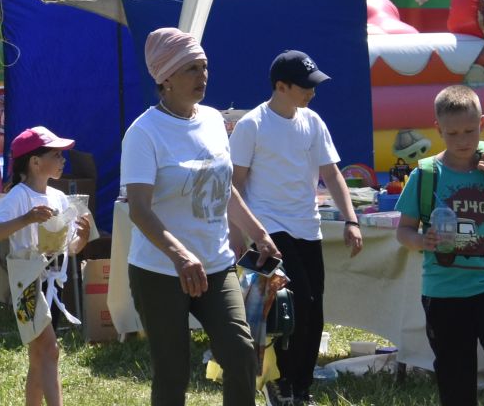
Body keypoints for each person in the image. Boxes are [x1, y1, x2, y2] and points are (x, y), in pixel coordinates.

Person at [122, 28, 280, 406]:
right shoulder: (143, 133)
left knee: (241, 351)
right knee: (173, 370)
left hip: (215, 264)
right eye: (191, 68)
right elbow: (139, 209)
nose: (202, 76)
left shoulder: (212, 120)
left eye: (204, 67)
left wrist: (258, 233)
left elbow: (222, 187)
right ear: (165, 77)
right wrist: (180, 255)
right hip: (159, 271)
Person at [229, 50, 362, 405]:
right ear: (280, 86)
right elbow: (234, 185)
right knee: (294, 304)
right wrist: (238, 236)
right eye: (304, 86)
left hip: (309, 228)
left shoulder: (313, 122)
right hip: (269, 231)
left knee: (314, 308)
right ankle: (282, 382)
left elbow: (332, 173)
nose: (312, 92)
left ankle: (300, 388)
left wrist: (351, 220)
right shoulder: (251, 126)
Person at [396, 83, 484, 406]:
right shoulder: (426, 174)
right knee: (455, 376)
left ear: (482, 123)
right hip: (444, 291)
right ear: (438, 129)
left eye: (470, 131)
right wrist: (422, 240)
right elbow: (403, 231)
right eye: (453, 133)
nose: (462, 141)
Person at [0, 127, 94, 406]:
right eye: (56, 155)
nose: (63, 160)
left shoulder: (58, 197)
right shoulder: (18, 196)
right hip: (27, 282)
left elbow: (69, 248)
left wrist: (81, 237)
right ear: (34, 162)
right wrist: (27, 219)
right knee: (50, 349)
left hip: (52, 280)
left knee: (39, 355)